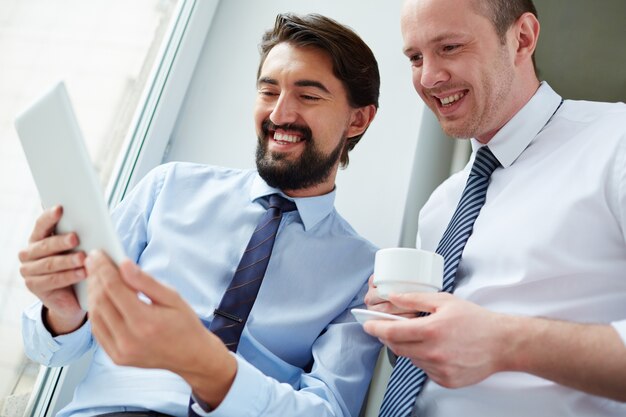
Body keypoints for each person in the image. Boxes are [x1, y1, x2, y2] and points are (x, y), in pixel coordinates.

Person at [19, 13, 382, 417]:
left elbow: (327, 411)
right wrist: (63, 314)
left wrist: (213, 371)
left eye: (308, 96)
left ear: (358, 119)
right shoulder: (168, 188)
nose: (280, 113)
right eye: (268, 91)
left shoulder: (362, 272)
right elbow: (48, 349)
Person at [363, 0, 626, 416]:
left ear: (522, 39)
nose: (428, 77)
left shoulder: (617, 141)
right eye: (415, 57)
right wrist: (409, 328)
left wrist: (507, 343)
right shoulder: (440, 208)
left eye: (449, 47)